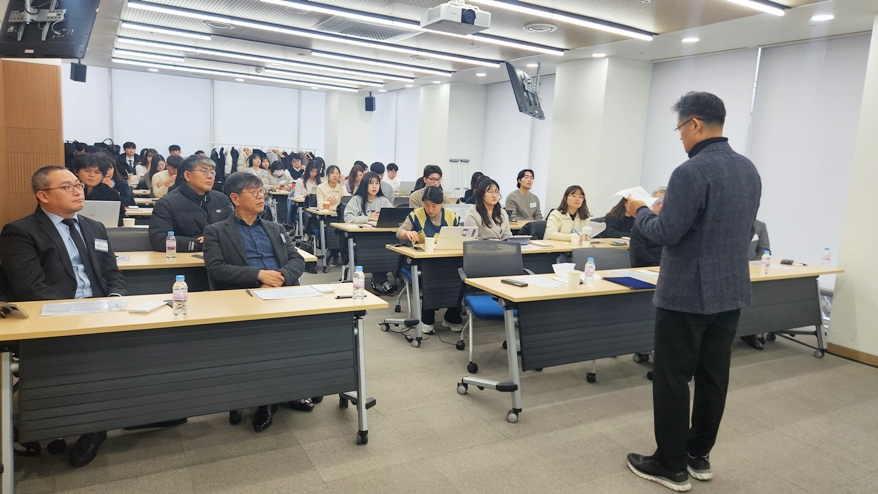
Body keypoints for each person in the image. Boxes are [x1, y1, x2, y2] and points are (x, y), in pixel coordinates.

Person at [624, 91, 761, 492]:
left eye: (680, 129)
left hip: (686, 293)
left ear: (695, 124)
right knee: (714, 375)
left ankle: (670, 464)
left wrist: (642, 211)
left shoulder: (691, 172)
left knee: (672, 377)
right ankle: (698, 454)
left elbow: (666, 233)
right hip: (731, 290)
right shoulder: (748, 169)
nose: (680, 138)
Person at [0, 166, 128, 467]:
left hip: (101, 311)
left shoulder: (94, 227)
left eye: (77, 184)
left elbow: (112, 273)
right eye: (67, 186)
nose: (78, 190)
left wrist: (115, 299)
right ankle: (90, 426)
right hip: (53, 316)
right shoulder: (20, 231)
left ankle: (120, 417)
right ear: (43, 195)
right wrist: (79, 313)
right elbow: (30, 288)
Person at [202, 172, 311, 431]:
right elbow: (216, 268)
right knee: (263, 346)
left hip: (283, 294)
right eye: (254, 192)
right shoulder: (216, 231)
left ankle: (291, 389)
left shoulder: (275, 228)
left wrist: (281, 278)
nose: (262, 196)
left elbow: (297, 259)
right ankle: (265, 400)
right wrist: (259, 276)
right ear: (235, 198)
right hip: (246, 298)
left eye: (262, 191)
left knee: (303, 337)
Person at [396, 186, 463, 333]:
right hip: (425, 261)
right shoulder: (416, 215)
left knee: (461, 275)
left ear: (442, 204)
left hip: (449, 258)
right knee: (431, 274)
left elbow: (460, 236)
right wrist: (407, 233)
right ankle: (427, 317)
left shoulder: (452, 216)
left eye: (435, 206)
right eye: (426, 205)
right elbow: (399, 231)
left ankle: (452, 316)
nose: (430, 209)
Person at [148, 155, 233, 252]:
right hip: (186, 262)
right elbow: (160, 240)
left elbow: (235, 230)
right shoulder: (167, 203)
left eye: (212, 172)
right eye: (204, 171)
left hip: (222, 260)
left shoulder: (222, 199)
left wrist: (215, 240)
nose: (210, 176)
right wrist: (201, 244)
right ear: (187, 175)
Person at [344, 172, 396, 294]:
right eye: (371, 183)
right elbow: (348, 217)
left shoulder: (383, 200)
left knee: (389, 250)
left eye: (377, 183)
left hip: (382, 237)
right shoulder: (357, 199)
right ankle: (380, 280)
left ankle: (380, 279)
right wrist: (368, 218)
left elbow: (393, 217)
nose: (374, 186)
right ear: (364, 185)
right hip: (362, 238)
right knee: (376, 250)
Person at [740, 219, 771, 350]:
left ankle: (750, 332)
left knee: (756, 299)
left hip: (751, 273)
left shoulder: (760, 226)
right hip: (729, 273)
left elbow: (764, 251)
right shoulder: (728, 222)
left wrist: (751, 265)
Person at [316, 164, 348, 266]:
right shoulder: (321, 187)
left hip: (340, 217)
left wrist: (342, 184)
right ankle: (333, 251)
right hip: (327, 217)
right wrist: (328, 203)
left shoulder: (340, 187)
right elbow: (320, 205)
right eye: (332, 173)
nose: (335, 175)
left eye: (337, 173)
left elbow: (347, 201)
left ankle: (338, 252)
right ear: (327, 175)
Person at [629, 197, 664, 267]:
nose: (661, 206)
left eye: (664, 202)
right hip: (647, 266)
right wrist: (657, 265)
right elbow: (638, 250)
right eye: (658, 203)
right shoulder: (641, 224)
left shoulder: (673, 226)